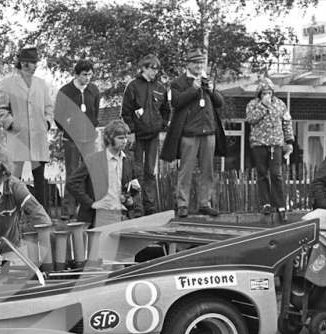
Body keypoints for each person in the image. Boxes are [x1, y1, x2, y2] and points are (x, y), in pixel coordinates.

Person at [159, 48, 225, 218]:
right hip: (189, 133)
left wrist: (212, 90)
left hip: (208, 131)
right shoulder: (178, 83)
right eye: (195, 62)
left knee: (207, 170)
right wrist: (193, 89)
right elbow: (176, 102)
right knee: (186, 170)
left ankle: (205, 203)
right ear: (188, 64)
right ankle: (182, 204)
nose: (198, 65)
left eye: (201, 62)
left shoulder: (207, 81)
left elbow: (219, 103)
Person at [0, 47, 55, 210]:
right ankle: (13, 213)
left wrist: (47, 123)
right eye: (32, 63)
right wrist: (12, 123)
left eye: (36, 63)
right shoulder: (7, 84)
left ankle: (43, 215)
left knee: (40, 178)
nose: (35, 66)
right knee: (15, 178)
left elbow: (49, 107)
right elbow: (1, 109)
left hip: (38, 137)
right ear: (22, 63)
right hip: (18, 136)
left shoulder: (41, 84)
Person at [67, 120, 143, 227]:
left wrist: (131, 202)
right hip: (100, 217)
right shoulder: (93, 159)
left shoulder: (128, 161)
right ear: (109, 138)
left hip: (122, 216)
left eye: (126, 138)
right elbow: (72, 183)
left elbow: (136, 188)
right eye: (120, 138)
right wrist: (91, 203)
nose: (124, 141)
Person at [121, 54, 170, 216]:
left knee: (150, 171)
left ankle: (149, 205)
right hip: (137, 136)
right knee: (136, 171)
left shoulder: (160, 87)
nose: (155, 72)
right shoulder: (133, 86)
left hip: (153, 135)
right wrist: (132, 132)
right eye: (152, 68)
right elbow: (126, 112)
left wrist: (161, 124)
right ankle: (136, 205)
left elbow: (165, 110)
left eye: (157, 69)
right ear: (143, 68)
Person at [55, 59, 101, 220]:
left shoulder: (94, 90)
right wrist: (69, 130)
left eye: (90, 74)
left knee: (89, 172)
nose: (87, 77)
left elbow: (95, 112)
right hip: (71, 139)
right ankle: (68, 211)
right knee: (72, 173)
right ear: (76, 74)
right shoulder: (65, 91)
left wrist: (92, 126)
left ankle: (88, 208)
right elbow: (58, 116)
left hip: (89, 138)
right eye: (84, 74)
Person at [245, 77, 295, 220]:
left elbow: (287, 122)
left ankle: (280, 205)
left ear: (273, 92)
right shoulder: (253, 104)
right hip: (259, 144)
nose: (267, 95)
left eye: (269, 92)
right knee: (262, 174)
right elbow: (250, 119)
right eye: (264, 93)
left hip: (275, 144)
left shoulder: (280, 104)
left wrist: (289, 140)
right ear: (259, 94)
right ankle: (265, 203)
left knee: (276, 174)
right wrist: (263, 106)